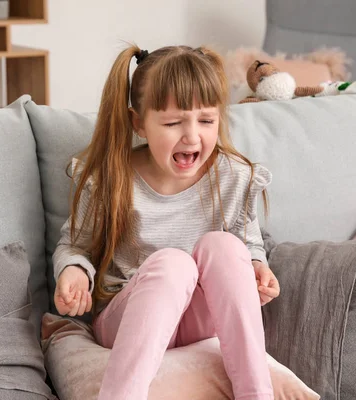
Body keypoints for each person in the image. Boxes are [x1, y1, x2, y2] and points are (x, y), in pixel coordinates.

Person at [53, 44, 281, 400]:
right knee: (175, 263)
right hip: (127, 320)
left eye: (207, 120)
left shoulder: (233, 177)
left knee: (223, 246)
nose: (192, 136)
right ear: (138, 123)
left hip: (199, 322)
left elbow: (247, 241)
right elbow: (76, 246)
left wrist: (256, 266)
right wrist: (74, 272)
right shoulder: (109, 178)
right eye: (173, 123)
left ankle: (256, 394)